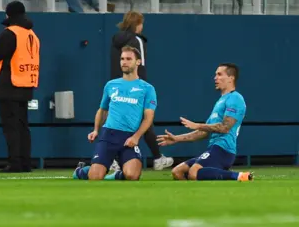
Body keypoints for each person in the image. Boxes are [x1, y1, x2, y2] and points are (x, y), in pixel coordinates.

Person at [73, 46, 157, 181]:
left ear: (138, 62)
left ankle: (118, 173)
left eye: (129, 59)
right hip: (109, 135)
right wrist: (95, 130)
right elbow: (102, 110)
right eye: (122, 59)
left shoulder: (147, 88)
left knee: (132, 175)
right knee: (95, 177)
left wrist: (136, 137)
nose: (124, 62)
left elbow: (148, 118)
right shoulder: (111, 85)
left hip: (129, 137)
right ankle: (81, 171)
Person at [157, 63, 253, 182]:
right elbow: (204, 132)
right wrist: (176, 139)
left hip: (224, 149)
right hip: (213, 148)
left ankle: (239, 176)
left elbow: (225, 127)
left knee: (194, 172)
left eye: (219, 74)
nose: (215, 78)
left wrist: (197, 125)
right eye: (215, 75)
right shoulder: (220, 101)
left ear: (231, 78)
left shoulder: (235, 98)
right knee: (178, 172)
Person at [109, 10, 174, 171]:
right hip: (134, 87)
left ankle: (113, 159)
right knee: (144, 121)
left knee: (118, 123)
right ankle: (157, 158)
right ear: (137, 24)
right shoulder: (137, 41)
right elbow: (140, 66)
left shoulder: (116, 40)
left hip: (117, 86)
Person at [0, 1, 39, 173]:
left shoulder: (10, 33)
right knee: (23, 126)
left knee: (11, 127)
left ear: (9, 15)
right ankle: (24, 162)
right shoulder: (32, 35)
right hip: (26, 84)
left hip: (9, 84)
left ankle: (14, 162)